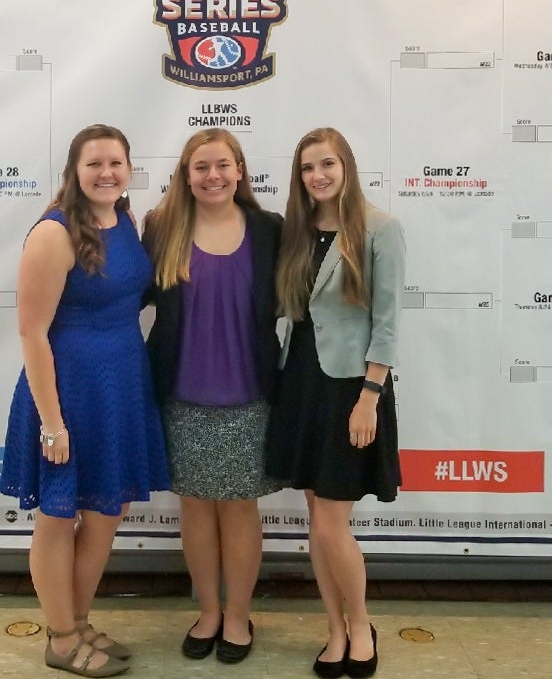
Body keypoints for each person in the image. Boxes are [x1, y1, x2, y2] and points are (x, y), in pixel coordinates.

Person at [0, 124, 170, 678]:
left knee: (105, 513)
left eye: (116, 163)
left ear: (128, 169)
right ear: (74, 170)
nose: (106, 173)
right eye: (94, 163)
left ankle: (78, 618)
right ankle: (61, 638)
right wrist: (52, 423)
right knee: (57, 515)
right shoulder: (53, 233)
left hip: (121, 383)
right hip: (67, 389)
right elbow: (31, 333)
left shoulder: (124, 221)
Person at [265, 127, 406, 679]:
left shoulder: (380, 229)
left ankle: (362, 624)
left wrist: (370, 395)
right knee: (314, 521)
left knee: (330, 526)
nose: (317, 176)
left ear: (345, 165)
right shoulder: (296, 232)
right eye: (307, 168)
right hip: (300, 384)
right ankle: (334, 629)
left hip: (351, 389)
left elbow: (388, 323)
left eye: (326, 164)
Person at [142, 128, 283, 664]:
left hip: (251, 395)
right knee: (196, 509)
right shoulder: (162, 228)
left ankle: (240, 616)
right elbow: (125, 290)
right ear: (185, 175)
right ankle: (207, 612)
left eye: (223, 165)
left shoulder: (270, 230)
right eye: (200, 167)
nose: (213, 176)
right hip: (181, 394)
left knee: (240, 509)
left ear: (241, 170)